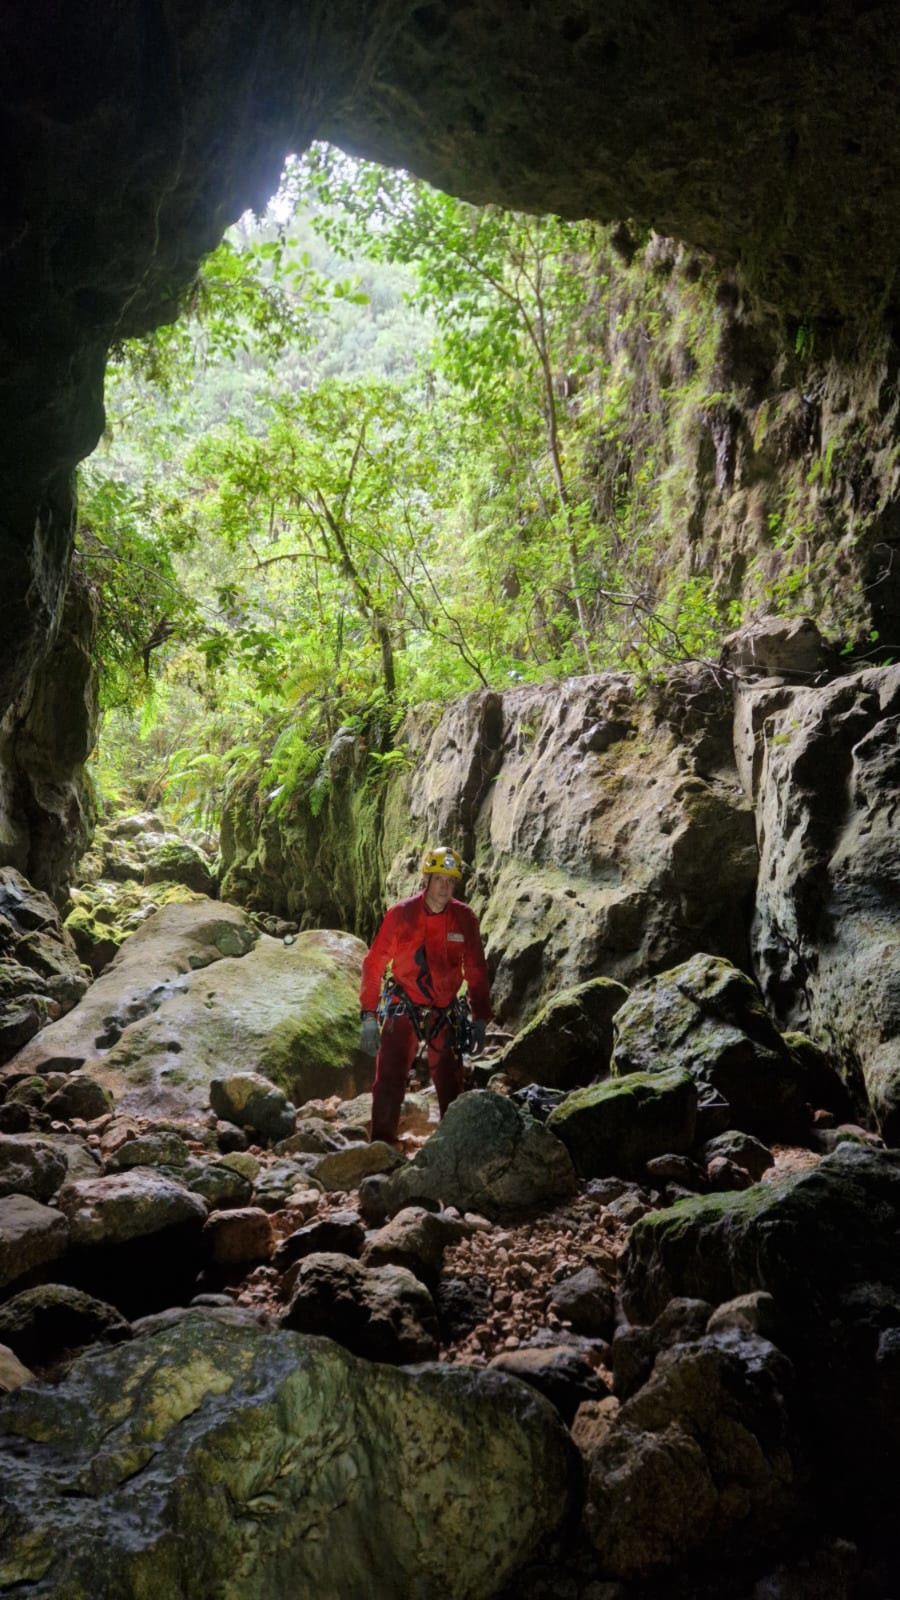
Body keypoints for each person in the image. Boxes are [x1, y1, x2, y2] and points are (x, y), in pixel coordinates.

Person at [358, 846, 491, 1145]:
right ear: (427, 879)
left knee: (450, 1081)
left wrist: (480, 1017)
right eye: (439, 879)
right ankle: (381, 1146)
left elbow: (476, 969)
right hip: (404, 1005)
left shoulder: (464, 918)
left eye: (450, 881)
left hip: (444, 1010)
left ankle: (452, 1146)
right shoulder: (402, 915)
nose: (445, 887)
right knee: (390, 1076)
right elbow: (374, 963)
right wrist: (368, 1015)